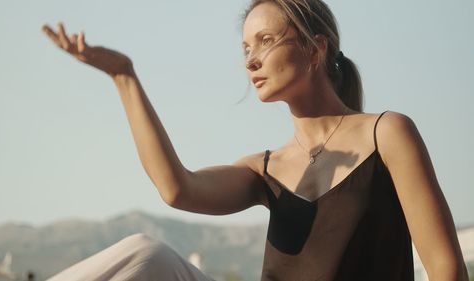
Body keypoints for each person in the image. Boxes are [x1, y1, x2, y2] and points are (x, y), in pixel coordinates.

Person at [41, 0, 469, 280]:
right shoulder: (264, 169)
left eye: (265, 41)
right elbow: (177, 189)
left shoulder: (388, 133)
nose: (251, 59)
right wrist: (124, 77)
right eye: (245, 47)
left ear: (315, 48)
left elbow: (446, 269)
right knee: (144, 255)